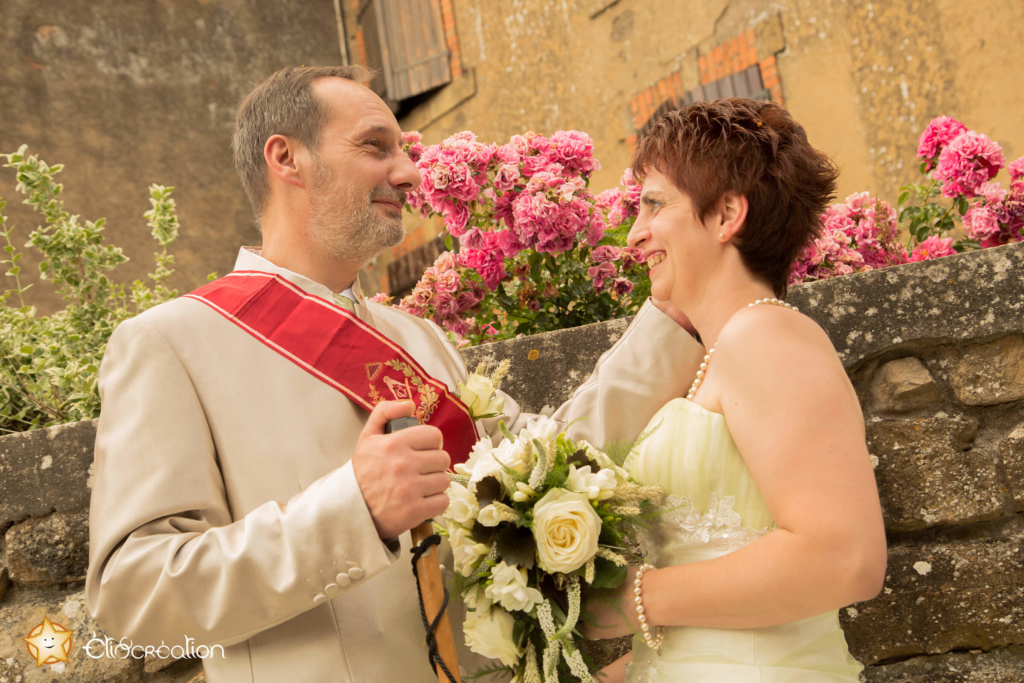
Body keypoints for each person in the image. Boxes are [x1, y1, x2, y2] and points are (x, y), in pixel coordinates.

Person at [84, 65, 704, 683]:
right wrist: (353, 511)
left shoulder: (417, 335)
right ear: (286, 158)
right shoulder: (168, 342)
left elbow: (548, 465)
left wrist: (674, 319)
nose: (408, 173)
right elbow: (132, 598)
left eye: (403, 151)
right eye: (375, 146)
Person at [583, 99, 888, 682]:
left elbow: (844, 558)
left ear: (726, 214)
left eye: (654, 204)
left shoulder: (766, 336)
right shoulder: (724, 353)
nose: (635, 233)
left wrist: (638, 598)